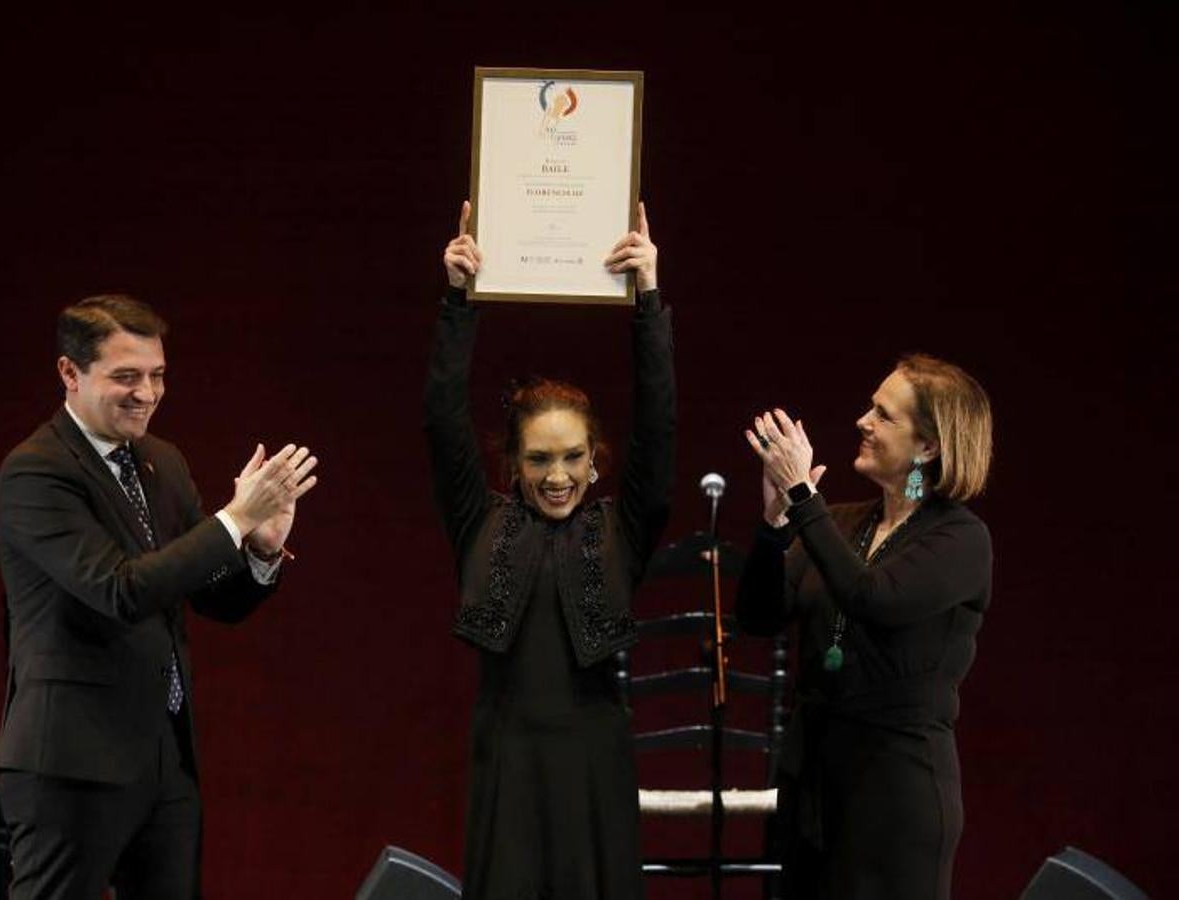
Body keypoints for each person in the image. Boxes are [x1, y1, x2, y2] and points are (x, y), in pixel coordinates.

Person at [0, 294, 318, 899]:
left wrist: (261, 547)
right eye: (126, 376)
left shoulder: (161, 463)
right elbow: (120, 589)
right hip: (70, 765)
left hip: (166, 762)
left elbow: (212, 597)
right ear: (70, 372)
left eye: (157, 375)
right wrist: (232, 519)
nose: (147, 392)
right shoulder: (35, 472)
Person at [425, 201, 674, 899]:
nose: (557, 476)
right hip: (506, 755)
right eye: (538, 460)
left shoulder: (617, 530)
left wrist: (647, 298)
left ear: (596, 461)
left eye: (571, 458)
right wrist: (458, 298)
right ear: (513, 464)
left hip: (595, 760)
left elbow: (658, 426)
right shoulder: (482, 523)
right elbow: (442, 416)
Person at [735, 355, 993, 900]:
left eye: (883, 414)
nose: (862, 422)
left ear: (928, 447)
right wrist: (774, 526)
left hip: (896, 790)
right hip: (814, 782)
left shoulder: (960, 539)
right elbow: (758, 616)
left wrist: (805, 499)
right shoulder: (847, 523)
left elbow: (873, 599)